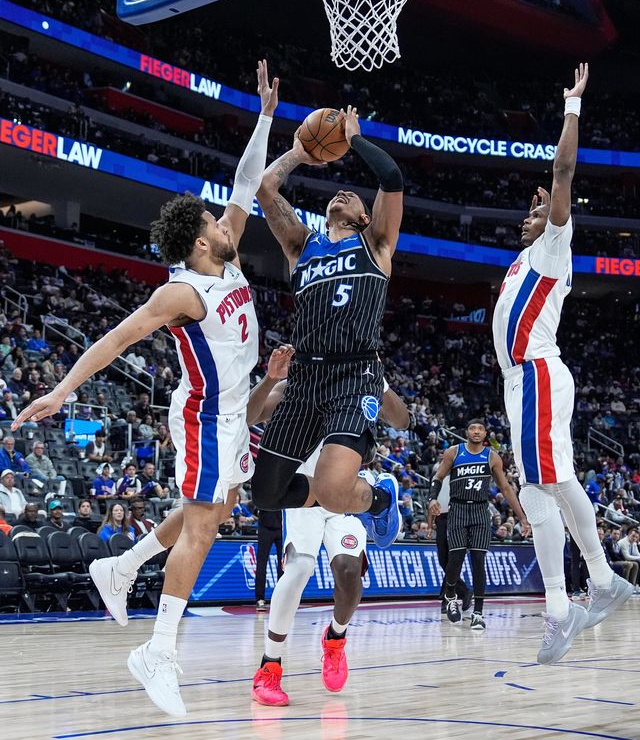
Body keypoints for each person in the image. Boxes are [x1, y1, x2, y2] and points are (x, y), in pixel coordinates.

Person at [11, 60, 279, 719]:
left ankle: (123, 566)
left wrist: (267, 119)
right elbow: (115, 340)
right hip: (204, 416)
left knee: (217, 508)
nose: (228, 220)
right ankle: (158, 650)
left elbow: (247, 183)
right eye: (217, 221)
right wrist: (63, 390)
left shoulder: (227, 256)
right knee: (204, 526)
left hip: (234, 417)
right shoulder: (181, 290)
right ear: (201, 241)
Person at [491, 64, 632, 664]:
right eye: (529, 214)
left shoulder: (552, 247)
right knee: (551, 481)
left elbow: (564, 170)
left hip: (537, 373)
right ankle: (599, 580)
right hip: (524, 381)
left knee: (537, 485)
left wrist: (572, 106)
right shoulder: (522, 261)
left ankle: (561, 603)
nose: (530, 213)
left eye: (538, 212)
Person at [252, 105, 406, 548]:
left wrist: (353, 139)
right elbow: (264, 187)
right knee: (266, 494)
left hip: (354, 374)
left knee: (335, 491)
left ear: (364, 216)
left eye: (353, 197)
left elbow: (391, 177)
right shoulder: (302, 244)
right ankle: (347, 493)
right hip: (305, 377)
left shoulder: (376, 243)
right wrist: (299, 154)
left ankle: (379, 499)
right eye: (339, 193)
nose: (343, 192)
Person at [252, 363, 411, 706]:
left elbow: (402, 420)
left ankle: (335, 639)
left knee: (349, 573)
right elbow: (253, 414)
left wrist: (380, 381)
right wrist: (270, 380)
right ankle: (269, 666)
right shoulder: (297, 383)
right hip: (305, 493)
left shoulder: (361, 379)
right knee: (298, 571)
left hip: (344, 495)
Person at [429, 420, 530, 630]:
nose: (476, 431)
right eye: (472, 428)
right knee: (455, 558)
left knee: (478, 560)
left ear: (485, 433)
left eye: (480, 429)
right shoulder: (454, 452)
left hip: (480, 511)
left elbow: (505, 488)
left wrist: (522, 517)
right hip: (457, 509)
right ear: (467, 432)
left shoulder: (492, 457)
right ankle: (450, 596)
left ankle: (478, 613)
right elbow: (438, 477)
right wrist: (432, 499)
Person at [426, 465, 472, 615]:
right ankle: (463, 591)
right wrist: (430, 525)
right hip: (441, 518)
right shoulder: (435, 480)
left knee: (452, 559)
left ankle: (448, 598)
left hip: (456, 517)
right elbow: (431, 503)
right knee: (442, 559)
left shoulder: (459, 477)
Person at [254, 508, 282, 612]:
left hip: (281, 526)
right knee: (261, 563)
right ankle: (260, 598)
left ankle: (282, 598)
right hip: (265, 526)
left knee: (283, 564)